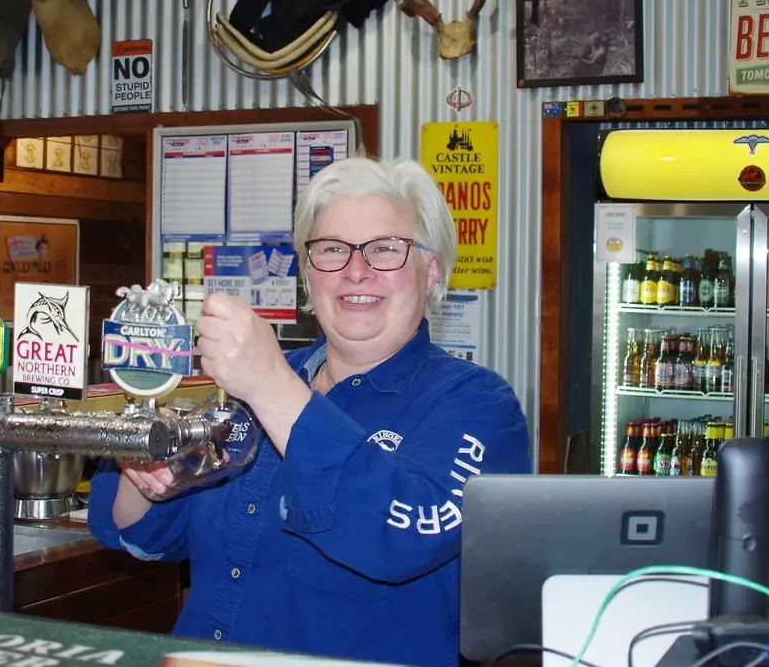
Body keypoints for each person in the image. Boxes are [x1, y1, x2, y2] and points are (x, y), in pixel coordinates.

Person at [88, 156, 530, 667]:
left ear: (431, 271)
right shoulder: (241, 384)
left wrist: (270, 385)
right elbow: (150, 534)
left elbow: (404, 538)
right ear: (307, 272)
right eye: (332, 250)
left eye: (386, 249)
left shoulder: (479, 406)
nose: (355, 270)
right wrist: (141, 472)